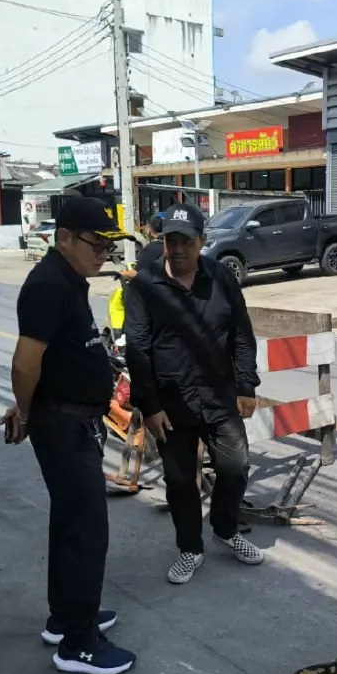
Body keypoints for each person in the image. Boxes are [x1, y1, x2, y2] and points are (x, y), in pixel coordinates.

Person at [0, 196, 136, 674]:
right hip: (62, 423)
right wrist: (26, 410)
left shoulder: (69, 281)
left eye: (108, 245)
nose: (104, 254)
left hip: (72, 419)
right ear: (64, 239)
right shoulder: (46, 286)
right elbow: (25, 361)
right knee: (86, 532)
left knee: (71, 524)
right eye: (96, 244)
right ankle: (79, 644)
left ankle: (66, 618)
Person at [124, 202, 265, 585]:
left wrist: (246, 384)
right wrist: (149, 406)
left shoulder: (221, 277)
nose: (178, 248)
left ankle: (225, 529)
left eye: (186, 240)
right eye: (171, 240)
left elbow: (241, 333)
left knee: (235, 468)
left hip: (220, 397)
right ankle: (190, 548)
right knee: (181, 481)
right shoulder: (143, 287)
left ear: (202, 241)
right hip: (172, 404)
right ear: (163, 241)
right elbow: (137, 349)